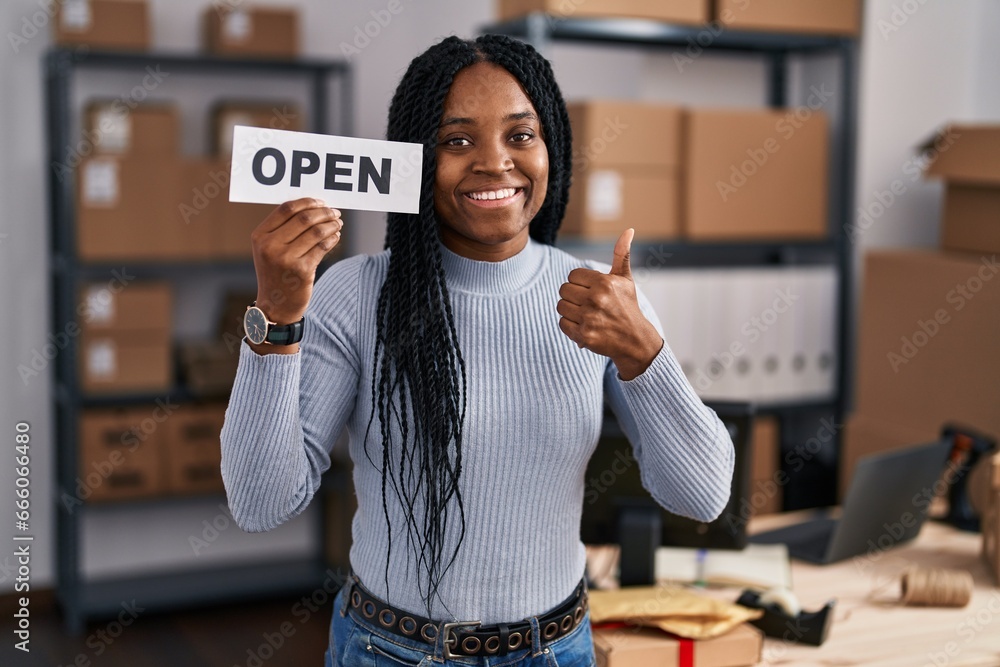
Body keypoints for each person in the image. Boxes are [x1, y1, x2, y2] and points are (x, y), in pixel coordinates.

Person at [220, 33, 735, 666]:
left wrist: (645, 354)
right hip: (390, 652)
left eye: (521, 135)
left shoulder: (602, 300)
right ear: (414, 160)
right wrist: (275, 316)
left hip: (556, 650)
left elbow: (704, 496)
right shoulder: (355, 294)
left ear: (553, 151)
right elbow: (260, 502)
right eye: (455, 140)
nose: (494, 162)